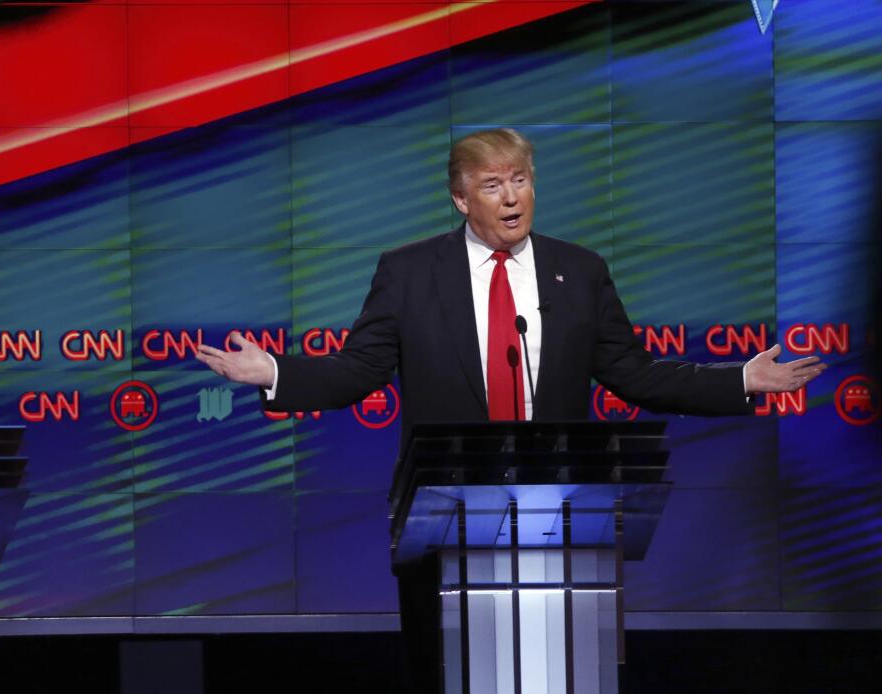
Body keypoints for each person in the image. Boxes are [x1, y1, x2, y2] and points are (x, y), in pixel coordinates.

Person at [196, 128, 825, 692]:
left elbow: (634, 373)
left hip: (560, 516)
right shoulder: (410, 272)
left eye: (520, 180)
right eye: (492, 185)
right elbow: (357, 371)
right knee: (450, 674)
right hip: (444, 518)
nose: (510, 197)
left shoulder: (577, 272)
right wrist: (274, 371)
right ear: (462, 200)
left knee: (559, 675)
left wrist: (739, 378)